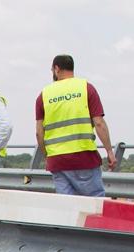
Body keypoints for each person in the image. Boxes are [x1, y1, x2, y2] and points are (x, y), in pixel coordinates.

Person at [34, 54, 116, 196]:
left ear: (56, 69)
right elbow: (99, 123)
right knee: (93, 204)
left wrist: (48, 156)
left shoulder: (44, 95)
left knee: (67, 209)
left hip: (58, 161)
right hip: (84, 158)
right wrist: (109, 151)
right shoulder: (86, 88)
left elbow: (39, 133)